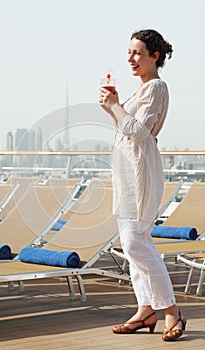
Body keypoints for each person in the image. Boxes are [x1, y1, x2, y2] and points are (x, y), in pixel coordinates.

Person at [99, 29, 186, 342]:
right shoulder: (138, 92)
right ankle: (145, 309)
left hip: (141, 172)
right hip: (125, 173)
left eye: (137, 53)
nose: (130, 59)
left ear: (155, 56)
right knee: (130, 242)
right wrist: (114, 108)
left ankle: (171, 311)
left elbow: (138, 131)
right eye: (129, 52)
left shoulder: (156, 88)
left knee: (138, 241)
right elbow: (125, 128)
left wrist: (116, 105)